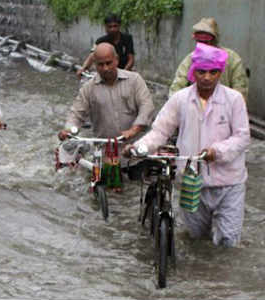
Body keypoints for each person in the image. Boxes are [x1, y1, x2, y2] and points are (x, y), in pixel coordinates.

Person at [125, 42, 250, 247]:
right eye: (202, 71)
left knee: (228, 242)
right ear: (194, 71)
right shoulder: (180, 99)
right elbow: (160, 131)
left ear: (220, 73)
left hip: (229, 183)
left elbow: (243, 136)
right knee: (194, 240)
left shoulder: (234, 99)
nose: (207, 77)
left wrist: (216, 151)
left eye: (213, 72)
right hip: (191, 182)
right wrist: (140, 148)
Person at [58, 43, 154, 182]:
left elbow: (147, 107)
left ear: (116, 59)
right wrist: (68, 130)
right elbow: (76, 113)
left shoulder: (135, 80)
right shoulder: (88, 88)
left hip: (134, 150)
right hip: (105, 153)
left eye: (109, 63)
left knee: (137, 192)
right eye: (100, 65)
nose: (105, 68)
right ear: (95, 65)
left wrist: (134, 130)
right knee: (103, 192)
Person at [169, 17, 249, 102]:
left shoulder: (232, 59)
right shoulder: (190, 59)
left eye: (205, 41)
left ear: (215, 40)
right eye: (199, 41)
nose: (202, 45)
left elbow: (240, 92)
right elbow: (177, 88)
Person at [76, 14, 135, 80]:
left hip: (125, 73)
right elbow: (92, 56)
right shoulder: (100, 41)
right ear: (105, 27)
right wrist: (83, 68)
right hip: (107, 74)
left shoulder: (127, 38)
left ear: (119, 26)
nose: (112, 29)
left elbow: (131, 59)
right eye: (110, 27)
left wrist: (123, 73)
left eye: (115, 26)